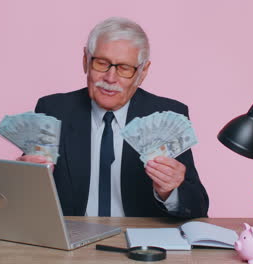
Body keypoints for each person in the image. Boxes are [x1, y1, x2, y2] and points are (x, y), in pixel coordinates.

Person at [18, 17, 209, 218]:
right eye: (101, 63)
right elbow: (25, 199)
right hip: (71, 242)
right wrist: (24, 177)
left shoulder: (167, 115)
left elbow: (199, 209)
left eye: (124, 68)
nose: (110, 78)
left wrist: (170, 191)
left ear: (143, 72)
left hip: (140, 244)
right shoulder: (53, 111)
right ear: (85, 60)